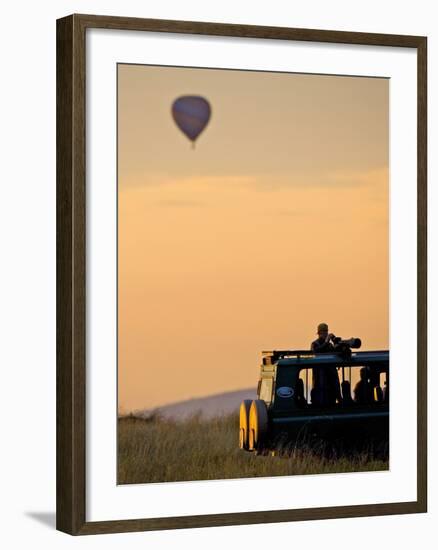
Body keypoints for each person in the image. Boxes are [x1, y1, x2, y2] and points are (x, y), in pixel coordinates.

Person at [310, 323, 342, 406]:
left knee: (332, 395)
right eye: (323, 332)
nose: (325, 333)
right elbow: (316, 352)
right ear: (319, 333)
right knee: (321, 396)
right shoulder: (315, 344)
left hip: (331, 375)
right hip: (320, 376)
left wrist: (337, 342)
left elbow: (336, 353)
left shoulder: (329, 345)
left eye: (326, 331)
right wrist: (326, 342)